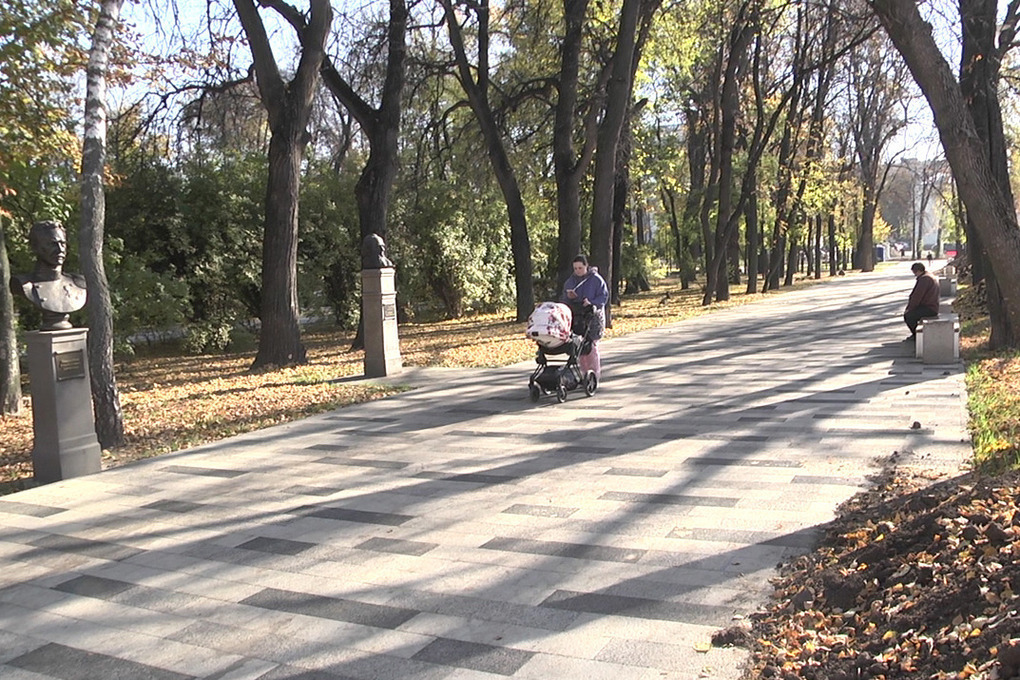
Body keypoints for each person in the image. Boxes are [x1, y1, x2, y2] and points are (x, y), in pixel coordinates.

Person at [9, 220, 87, 331]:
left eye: (63, 244)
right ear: (35, 247)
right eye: (52, 244)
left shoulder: (79, 283)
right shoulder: (24, 284)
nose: (60, 250)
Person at [561, 255, 608, 379]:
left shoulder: (596, 280)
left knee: (591, 347)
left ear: (586, 266)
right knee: (579, 347)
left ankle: (594, 375)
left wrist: (592, 302)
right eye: (575, 268)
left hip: (594, 317)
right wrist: (570, 297)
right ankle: (584, 374)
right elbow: (564, 299)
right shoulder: (571, 280)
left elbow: (603, 296)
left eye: (580, 268)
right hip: (578, 317)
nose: (578, 271)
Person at [903, 261, 939, 341]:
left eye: (914, 272)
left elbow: (917, 296)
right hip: (932, 306)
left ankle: (917, 336)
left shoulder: (924, 279)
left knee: (909, 316)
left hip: (929, 308)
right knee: (912, 315)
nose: (915, 275)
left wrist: (909, 309)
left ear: (918, 271)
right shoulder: (929, 276)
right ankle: (917, 334)